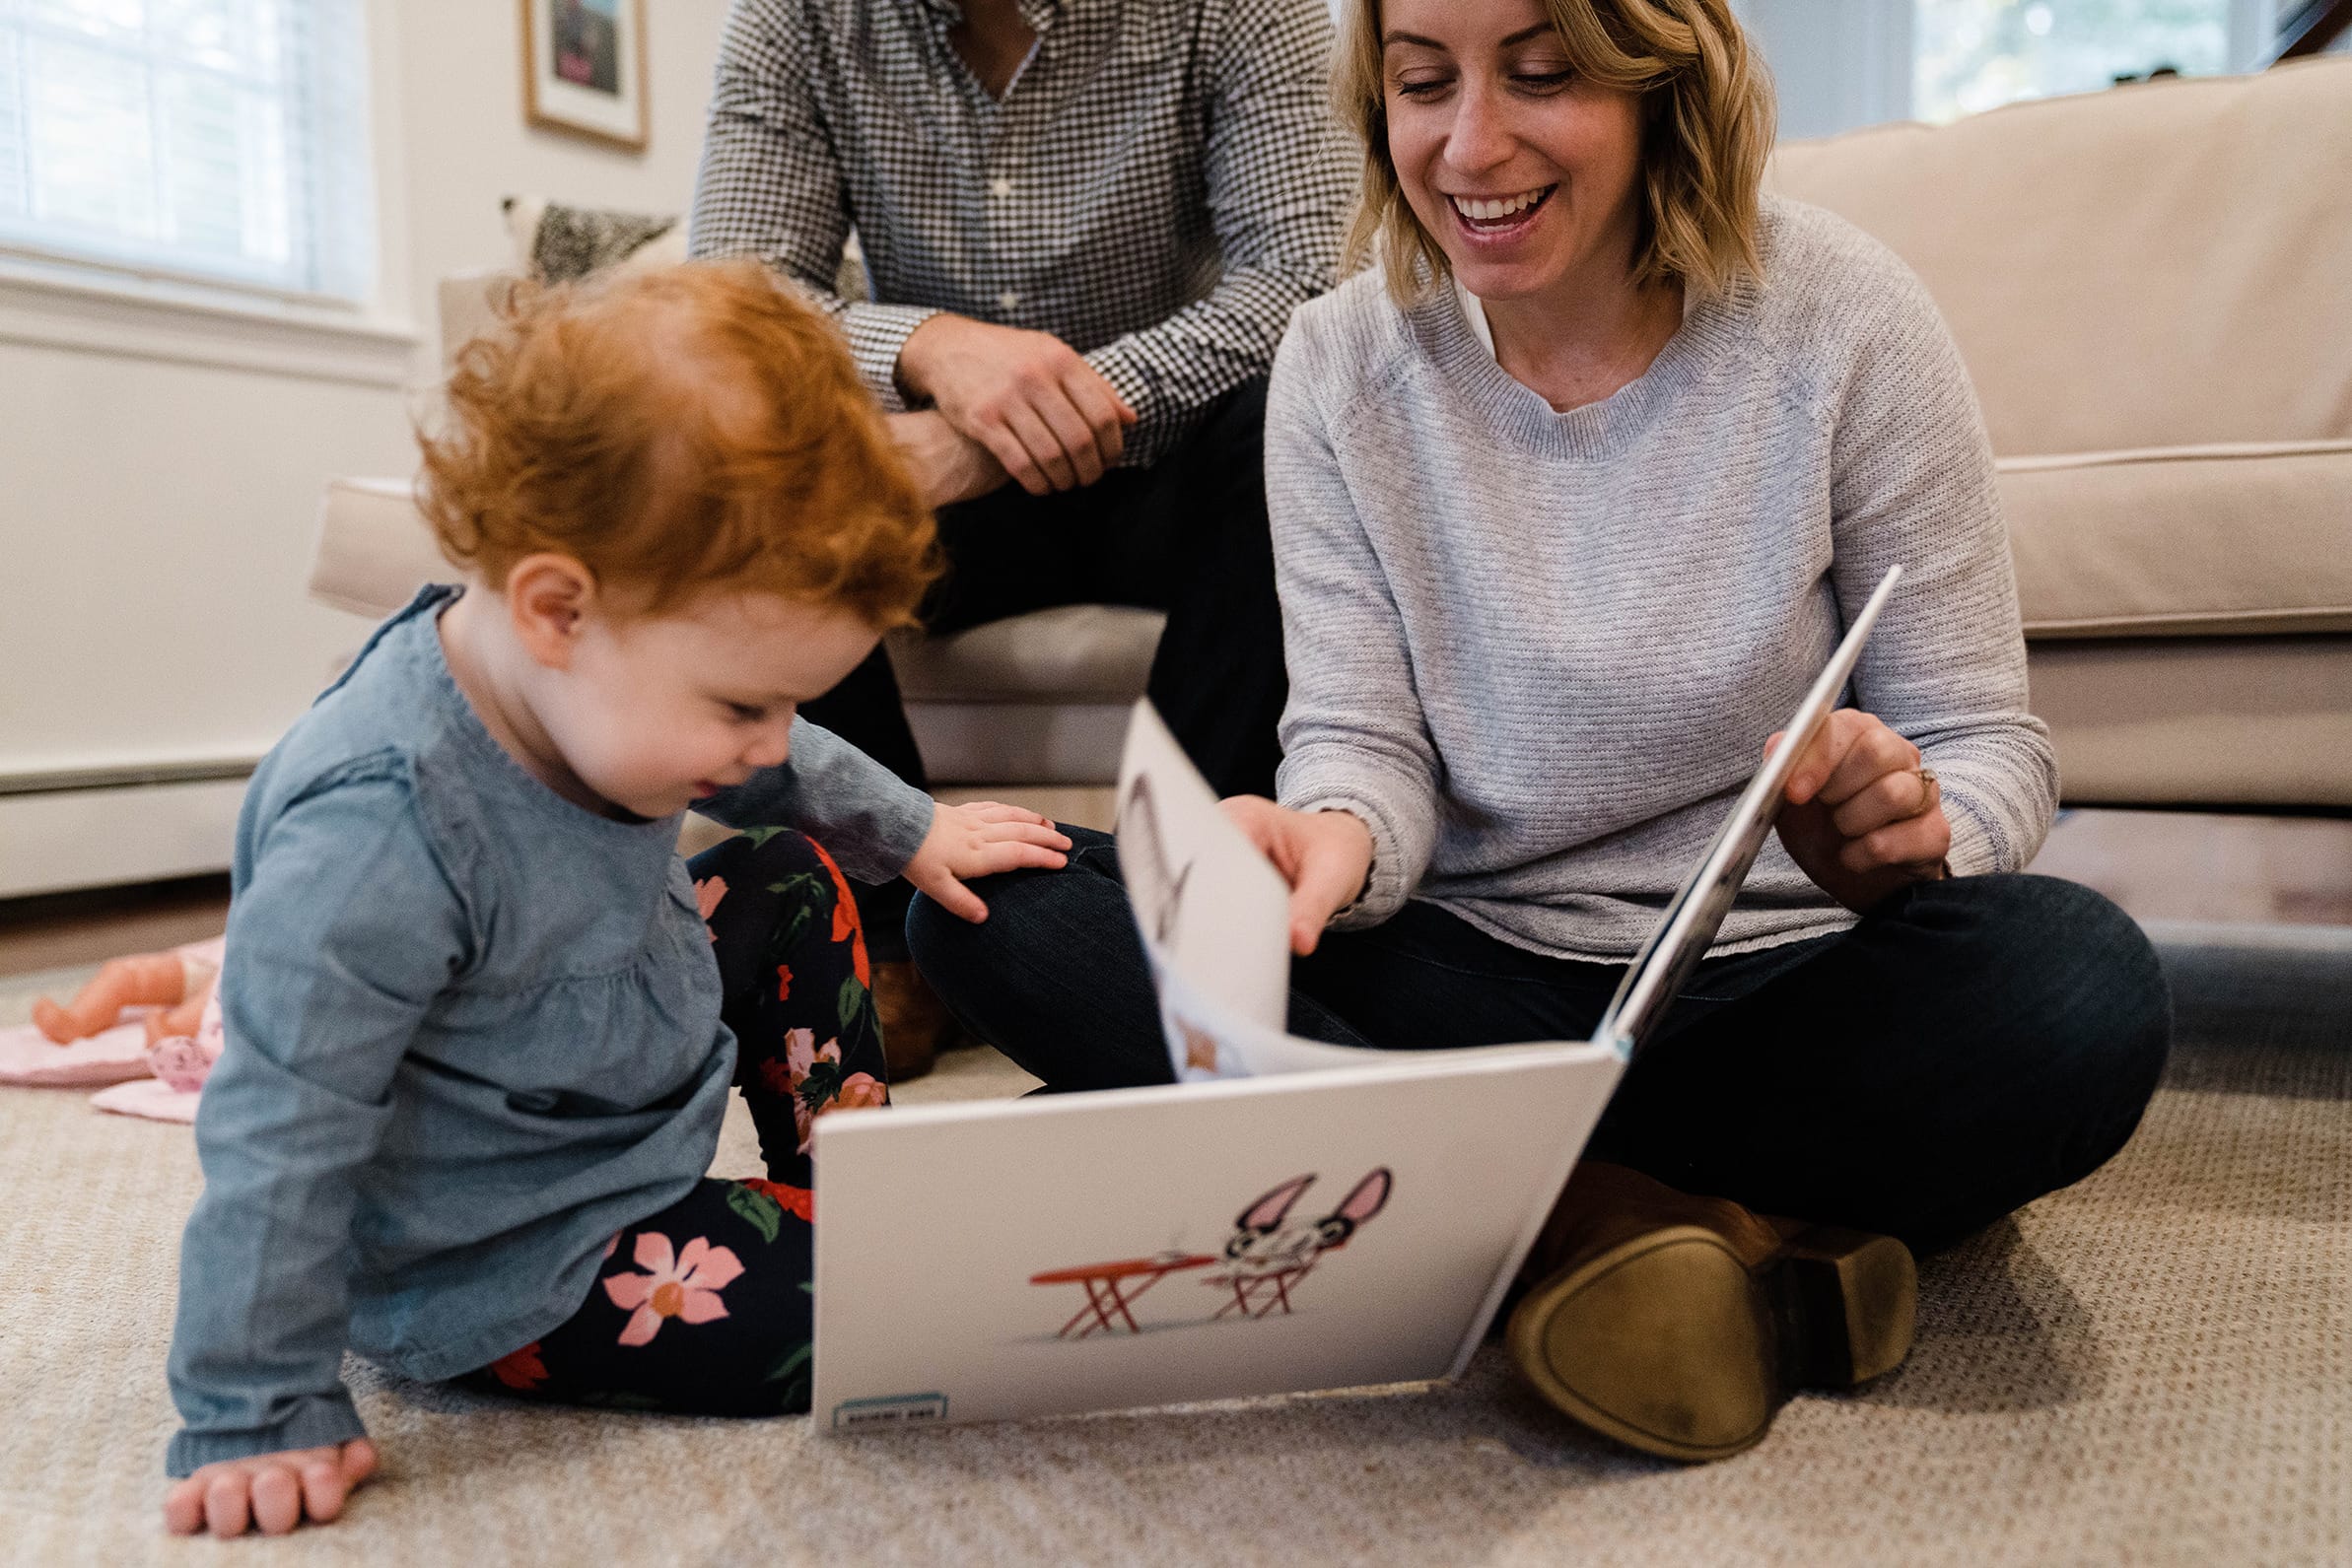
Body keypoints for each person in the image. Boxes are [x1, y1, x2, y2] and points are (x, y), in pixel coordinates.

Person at [908, 0, 2173, 1463]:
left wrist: (1912, 836)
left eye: (1541, 74)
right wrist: (1329, 836)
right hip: (1461, 979)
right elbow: (1355, 739)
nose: (1470, 145)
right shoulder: (1333, 360)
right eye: (1421, 81)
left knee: (2074, 987)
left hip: (1756, 986)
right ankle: (1660, 1228)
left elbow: (1981, 738)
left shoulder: (1846, 314)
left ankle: (1420, 1205)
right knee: (983, 900)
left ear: (1656, 85)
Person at [161, 261, 1072, 1537]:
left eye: (782, 698)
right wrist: (249, 1402)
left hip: (604, 1078)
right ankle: (857, 1240)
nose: (770, 740)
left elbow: (783, 761)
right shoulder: (377, 825)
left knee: (788, 868)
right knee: (897, 1308)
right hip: (511, 1259)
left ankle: (859, 1170)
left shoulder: (587, 674)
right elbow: (278, 1124)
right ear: (556, 608)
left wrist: (908, 827)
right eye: (738, 703)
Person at [688, 0, 1357, 1073]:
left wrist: (1026, 423)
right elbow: (731, 298)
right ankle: (875, 932)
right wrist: (927, 346)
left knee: (1294, 411)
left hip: (1176, 456)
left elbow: (1307, 283)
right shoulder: (796, 17)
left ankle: (1180, 899)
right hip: (923, 481)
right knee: (753, 447)